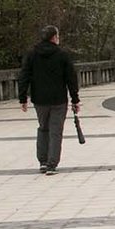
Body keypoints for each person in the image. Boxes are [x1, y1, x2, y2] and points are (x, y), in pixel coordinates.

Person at [18, 25, 80, 176]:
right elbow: (71, 79)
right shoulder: (62, 55)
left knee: (43, 128)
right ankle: (52, 163)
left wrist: (23, 97)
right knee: (56, 131)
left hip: (39, 99)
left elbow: (24, 75)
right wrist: (75, 99)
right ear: (54, 37)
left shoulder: (32, 54)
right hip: (58, 99)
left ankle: (43, 161)